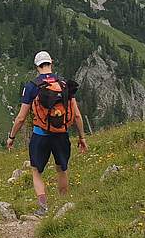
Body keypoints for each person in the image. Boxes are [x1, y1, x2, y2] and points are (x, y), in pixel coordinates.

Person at [5, 51, 87, 215]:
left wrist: (11, 137)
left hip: (40, 135)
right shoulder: (63, 84)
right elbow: (76, 114)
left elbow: (21, 117)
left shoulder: (32, 86)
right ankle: (64, 208)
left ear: (37, 66)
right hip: (61, 135)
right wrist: (82, 137)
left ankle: (43, 207)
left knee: (36, 171)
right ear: (51, 63)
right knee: (62, 169)